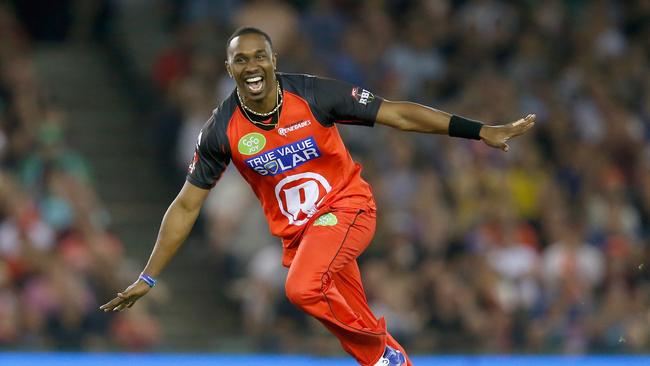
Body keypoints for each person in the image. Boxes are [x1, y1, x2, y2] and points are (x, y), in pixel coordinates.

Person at [101, 27, 535, 365]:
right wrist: (148, 276)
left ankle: (385, 355)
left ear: (274, 60)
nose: (251, 65)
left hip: (347, 210)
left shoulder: (312, 94)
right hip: (302, 237)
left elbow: (399, 114)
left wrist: (479, 131)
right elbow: (187, 205)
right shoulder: (221, 131)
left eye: (258, 56)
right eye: (239, 59)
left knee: (302, 288)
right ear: (229, 68)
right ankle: (388, 359)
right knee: (348, 314)